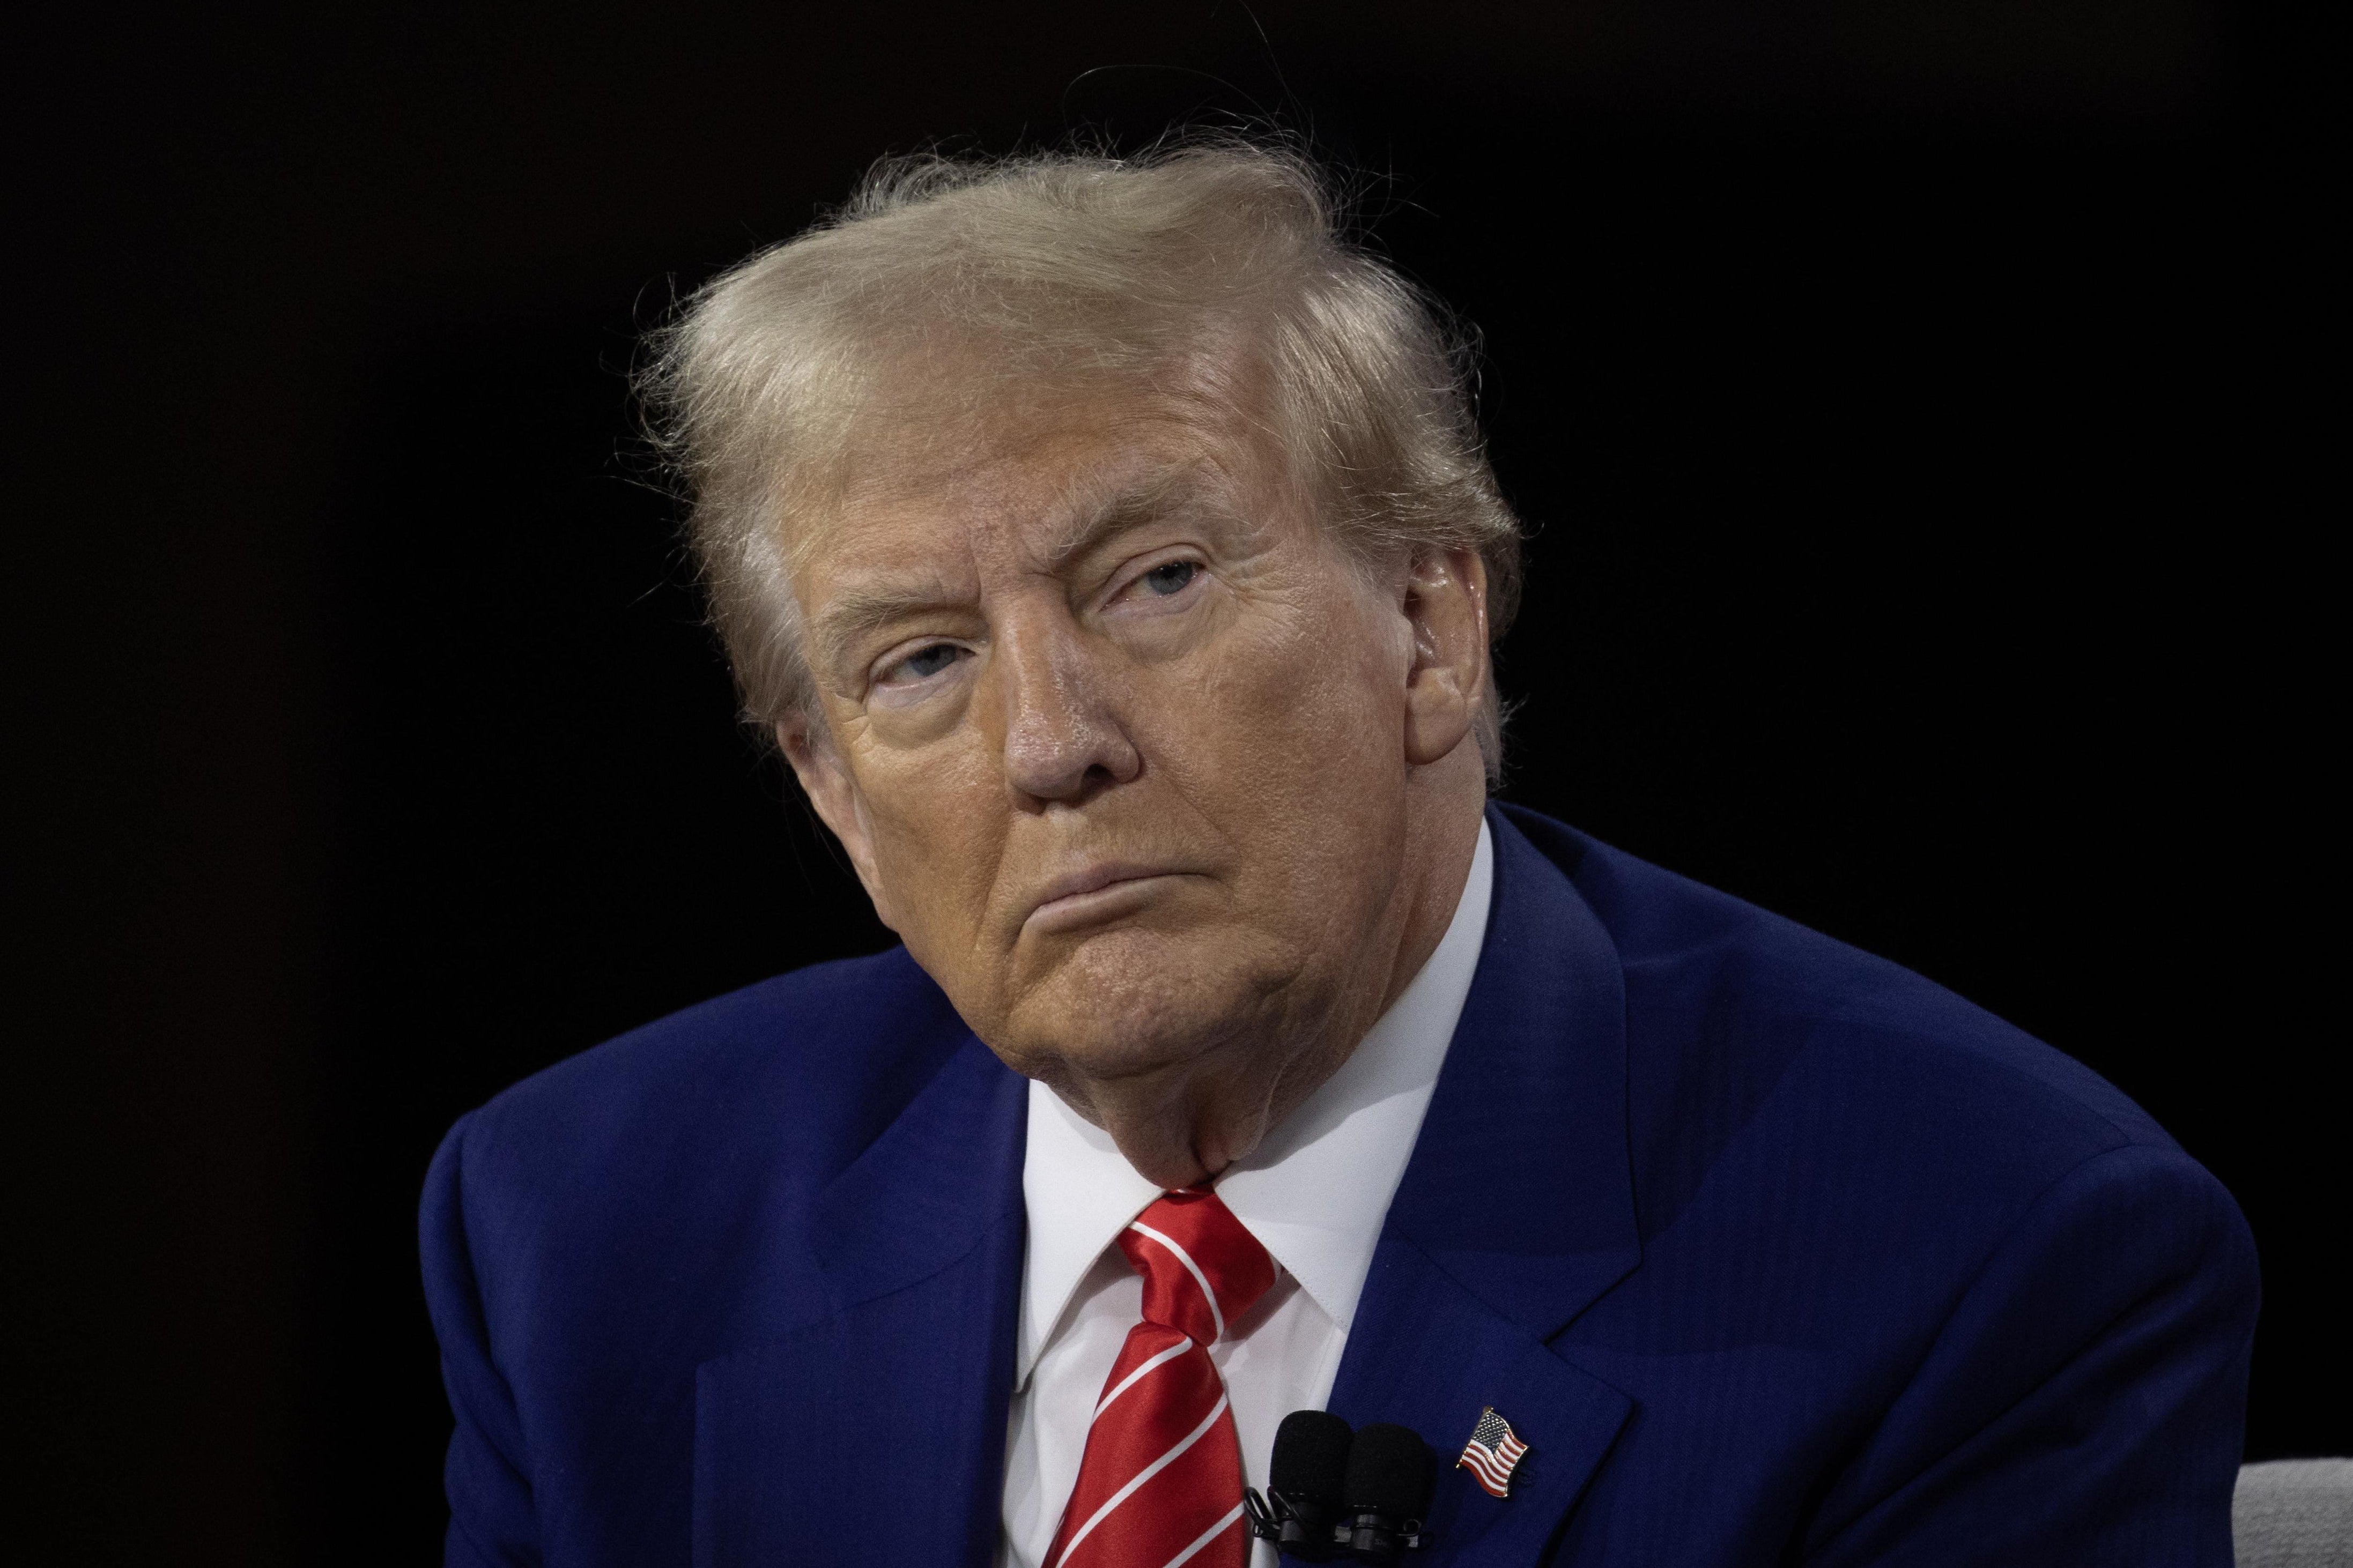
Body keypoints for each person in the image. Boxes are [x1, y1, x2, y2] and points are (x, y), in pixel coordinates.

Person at [420, 142, 2256, 1568]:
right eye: (922, 663)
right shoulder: (592, 1231)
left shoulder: (1975, 1247)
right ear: (827, 787)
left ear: (1430, 622)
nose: (1052, 744)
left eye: (1153, 581)